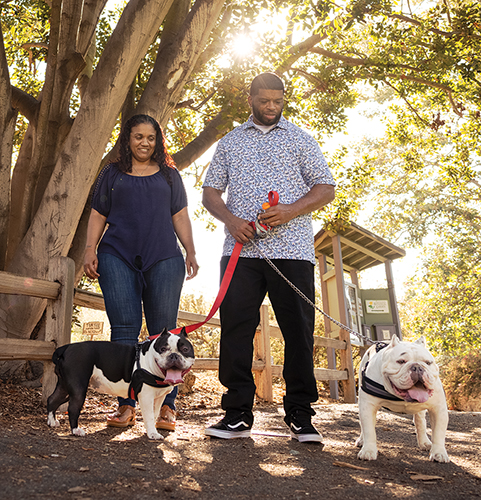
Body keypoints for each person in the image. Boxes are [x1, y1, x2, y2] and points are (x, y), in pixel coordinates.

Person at [202, 72, 336, 442]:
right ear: (251, 99)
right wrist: (230, 220)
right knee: (235, 332)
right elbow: (210, 192)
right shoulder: (230, 143)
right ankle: (237, 415)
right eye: (264, 101)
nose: (272, 107)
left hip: (292, 252)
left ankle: (300, 415)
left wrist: (291, 210)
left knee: (299, 333)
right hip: (240, 253)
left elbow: (326, 188)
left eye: (278, 101)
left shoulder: (301, 140)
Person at [84, 114, 199, 431]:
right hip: (116, 255)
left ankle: (167, 409)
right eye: (137, 136)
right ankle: (126, 407)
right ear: (127, 139)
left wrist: (190, 250)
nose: (144, 142)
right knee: (123, 331)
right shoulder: (112, 174)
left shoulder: (169, 176)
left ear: (157, 140)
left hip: (163, 257)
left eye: (150, 137)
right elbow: (97, 214)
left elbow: (180, 216)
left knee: (165, 334)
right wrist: (90, 249)